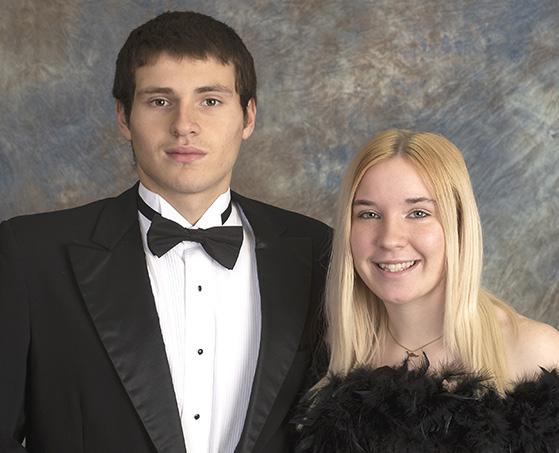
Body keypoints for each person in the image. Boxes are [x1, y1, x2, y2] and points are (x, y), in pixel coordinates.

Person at [0, 11, 331, 453]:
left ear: (248, 117)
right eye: (159, 101)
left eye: (210, 101)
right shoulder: (30, 255)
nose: (184, 124)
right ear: (123, 116)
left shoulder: (318, 253)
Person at [294, 129, 559, 452]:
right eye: (369, 214)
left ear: (459, 225)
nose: (390, 238)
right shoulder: (329, 354)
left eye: (418, 213)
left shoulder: (535, 353)